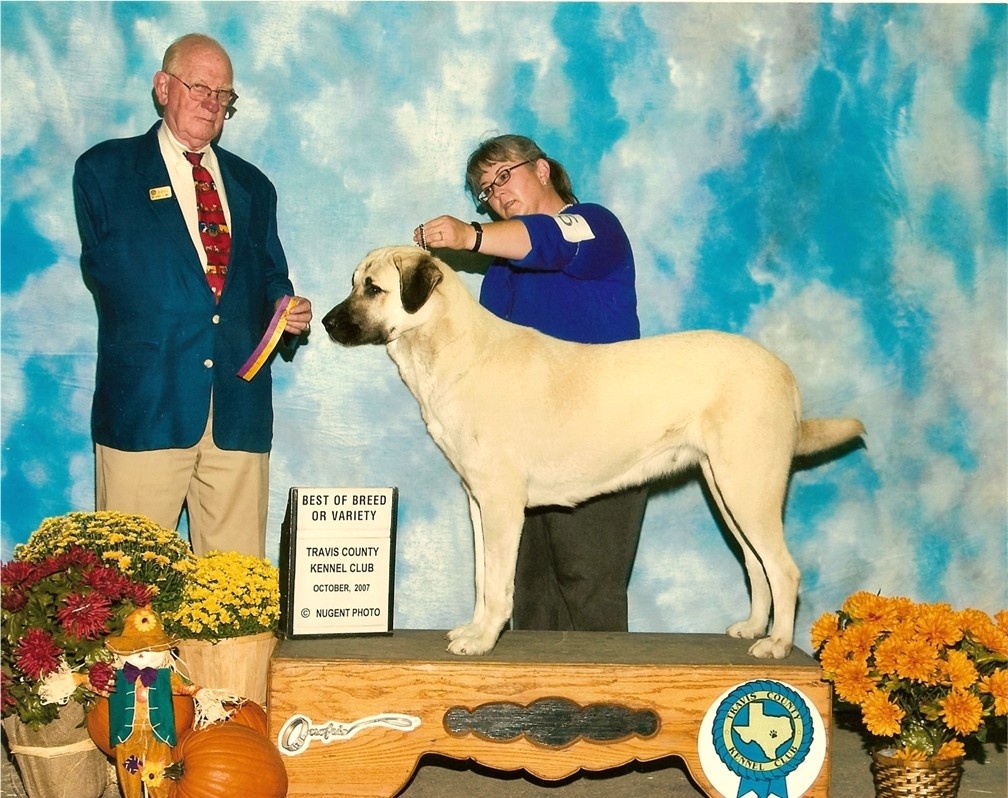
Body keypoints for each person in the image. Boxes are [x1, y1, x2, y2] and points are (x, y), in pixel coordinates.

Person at [73, 33, 311, 558]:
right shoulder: (105, 170)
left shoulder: (254, 185)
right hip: (147, 405)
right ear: (163, 88)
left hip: (238, 406)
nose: (212, 101)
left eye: (224, 94)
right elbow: (111, 276)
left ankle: (227, 650)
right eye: (199, 85)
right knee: (130, 583)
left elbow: (271, 274)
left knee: (235, 589)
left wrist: (283, 307)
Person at [414, 134, 648, 632]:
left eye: (504, 176)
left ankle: (609, 706)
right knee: (532, 594)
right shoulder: (500, 270)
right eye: (485, 190)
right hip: (518, 448)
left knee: (591, 589)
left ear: (542, 170)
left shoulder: (595, 224)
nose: (496, 194)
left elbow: (549, 241)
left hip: (602, 435)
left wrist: (469, 235)